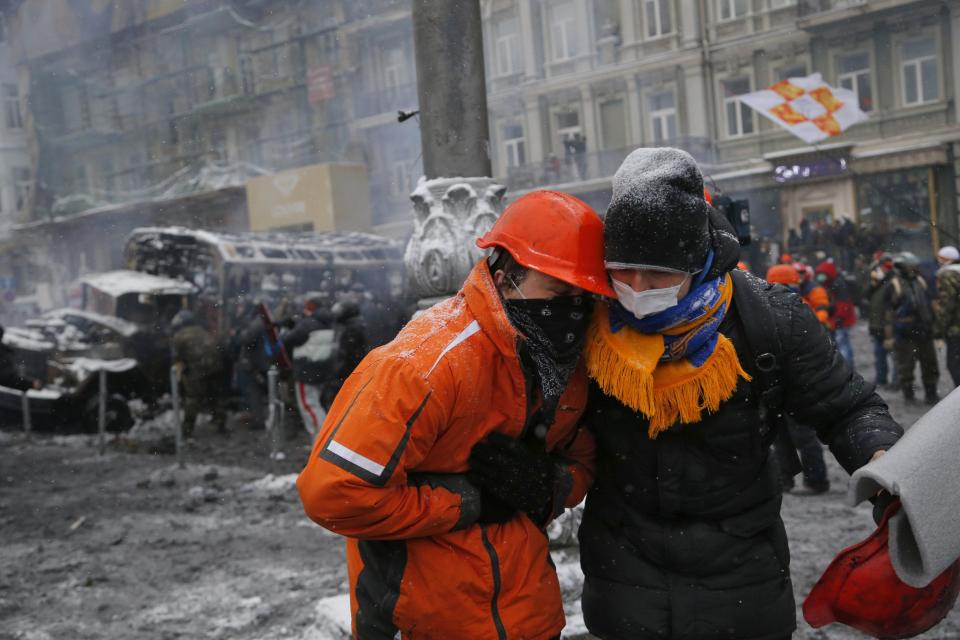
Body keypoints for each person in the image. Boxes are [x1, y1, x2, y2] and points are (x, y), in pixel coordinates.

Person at [576, 148, 902, 640]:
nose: (637, 289)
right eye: (622, 270)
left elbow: (847, 407)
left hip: (742, 584)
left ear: (698, 262)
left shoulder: (768, 319)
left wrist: (881, 459)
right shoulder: (588, 322)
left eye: (658, 275)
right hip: (624, 586)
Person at [296, 190, 611, 639]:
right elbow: (332, 493)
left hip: (532, 620)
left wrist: (545, 486)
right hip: (423, 622)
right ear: (506, 279)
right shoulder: (422, 364)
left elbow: (583, 462)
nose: (573, 313)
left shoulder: (567, 365)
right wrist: (465, 503)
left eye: (586, 298)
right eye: (559, 292)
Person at [764, 265, 830, 495]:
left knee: (792, 435)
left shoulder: (767, 308)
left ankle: (806, 480)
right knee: (794, 435)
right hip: (796, 383)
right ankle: (806, 479)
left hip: (784, 383)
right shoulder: (800, 307)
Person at [882, 252, 939, 405]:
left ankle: (931, 394)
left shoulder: (920, 281)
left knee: (930, 364)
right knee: (905, 367)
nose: (915, 269)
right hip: (904, 333)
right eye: (911, 266)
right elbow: (887, 314)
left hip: (924, 330)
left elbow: (929, 303)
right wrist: (888, 337)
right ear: (903, 267)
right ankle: (909, 397)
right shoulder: (893, 285)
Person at [282, 294, 334, 437]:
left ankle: (320, 439)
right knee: (319, 405)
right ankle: (324, 436)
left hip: (306, 370)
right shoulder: (328, 322)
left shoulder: (307, 324)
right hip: (322, 368)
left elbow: (288, 339)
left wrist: (288, 328)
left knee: (309, 406)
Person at [170, 310, 226, 437]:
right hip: (216, 368)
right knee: (215, 397)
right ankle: (221, 423)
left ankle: (187, 430)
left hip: (197, 370)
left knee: (192, 399)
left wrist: (181, 375)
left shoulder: (179, 335)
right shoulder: (203, 331)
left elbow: (176, 358)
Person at [815, 260, 857, 367]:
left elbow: (843, 306)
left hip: (841, 320)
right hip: (837, 320)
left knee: (843, 345)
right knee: (841, 345)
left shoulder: (837, 284)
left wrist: (835, 320)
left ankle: (847, 368)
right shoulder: (829, 283)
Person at [867, 254, 896, 387]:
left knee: (894, 355)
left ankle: (897, 381)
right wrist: (873, 282)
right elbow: (864, 294)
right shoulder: (875, 279)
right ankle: (881, 379)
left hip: (889, 324)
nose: (885, 269)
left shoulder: (894, 281)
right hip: (876, 323)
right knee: (879, 354)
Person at [934, 245, 960, 388]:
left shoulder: (947, 276)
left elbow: (946, 306)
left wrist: (938, 332)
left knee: (954, 365)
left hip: (955, 330)